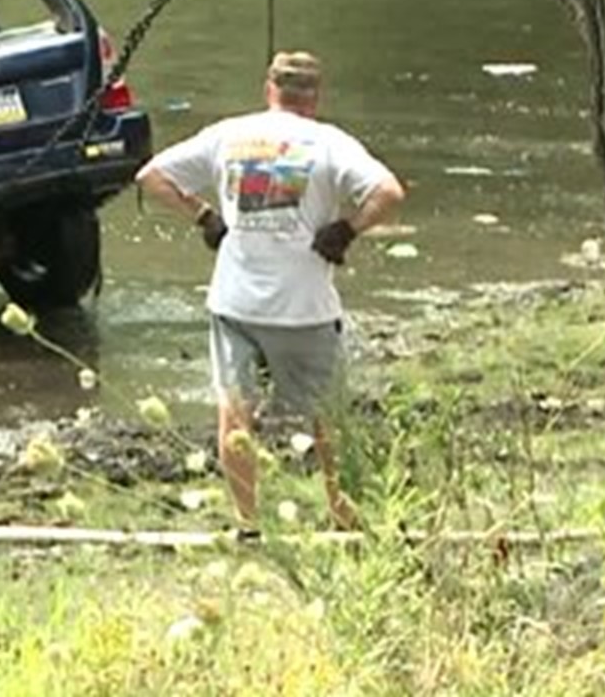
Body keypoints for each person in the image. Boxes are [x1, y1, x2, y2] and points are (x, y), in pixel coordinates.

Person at [135, 51, 405, 532]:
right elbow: (389, 193)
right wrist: (347, 228)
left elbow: (151, 177)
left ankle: (247, 521)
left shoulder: (227, 135)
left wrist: (203, 215)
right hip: (305, 308)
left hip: (235, 302)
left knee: (234, 411)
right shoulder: (328, 142)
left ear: (268, 90)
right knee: (329, 419)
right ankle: (341, 511)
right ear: (315, 97)